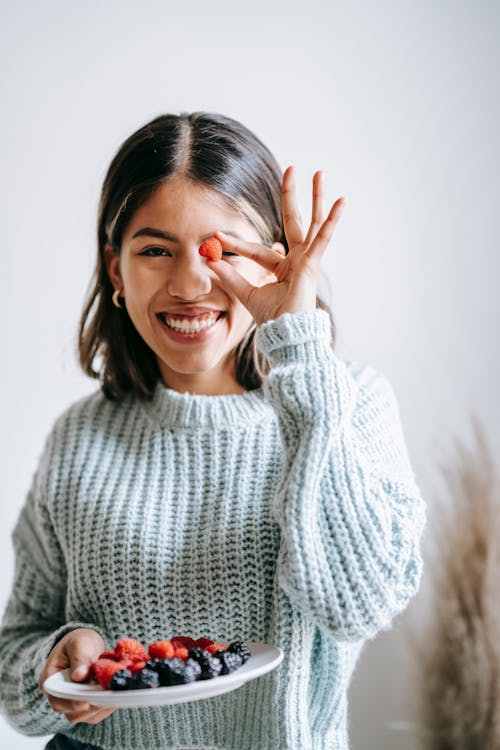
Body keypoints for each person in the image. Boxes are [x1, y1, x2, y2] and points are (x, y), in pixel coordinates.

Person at [0, 112, 426, 750]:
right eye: (153, 250)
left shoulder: (351, 403)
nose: (191, 283)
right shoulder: (79, 437)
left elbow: (355, 604)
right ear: (117, 272)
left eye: (222, 251)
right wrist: (58, 660)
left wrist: (301, 350)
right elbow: (16, 656)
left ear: (274, 261)